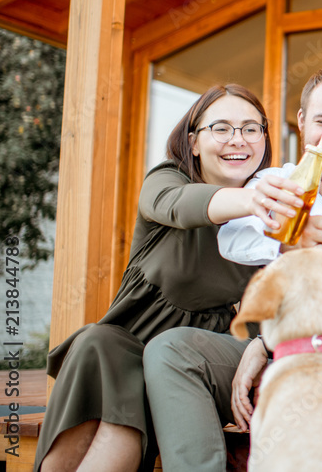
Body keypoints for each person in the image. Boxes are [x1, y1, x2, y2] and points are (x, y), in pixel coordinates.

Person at [140, 65, 322, 471]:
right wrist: (294, 236)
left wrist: (267, 344)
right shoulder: (274, 183)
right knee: (171, 349)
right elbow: (235, 240)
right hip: (285, 346)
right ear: (303, 121)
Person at [35, 84, 275, 472]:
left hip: (193, 359)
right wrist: (256, 201)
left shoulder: (270, 221)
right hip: (129, 342)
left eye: (251, 128)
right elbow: (178, 207)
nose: (238, 140)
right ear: (194, 142)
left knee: (142, 382)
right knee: (98, 341)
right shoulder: (168, 180)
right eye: (222, 128)